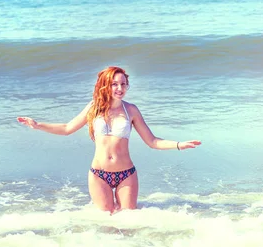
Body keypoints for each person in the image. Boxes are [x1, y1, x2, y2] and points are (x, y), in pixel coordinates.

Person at [17, 66, 201, 212]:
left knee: (129, 221)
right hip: (99, 175)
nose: (119, 88)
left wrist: (178, 145)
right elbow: (67, 128)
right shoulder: (94, 108)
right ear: (105, 85)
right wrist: (38, 125)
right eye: (114, 84)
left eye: (123, 84)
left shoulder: (131, 110)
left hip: (126, 174)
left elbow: (152, 141)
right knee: (106, 221)